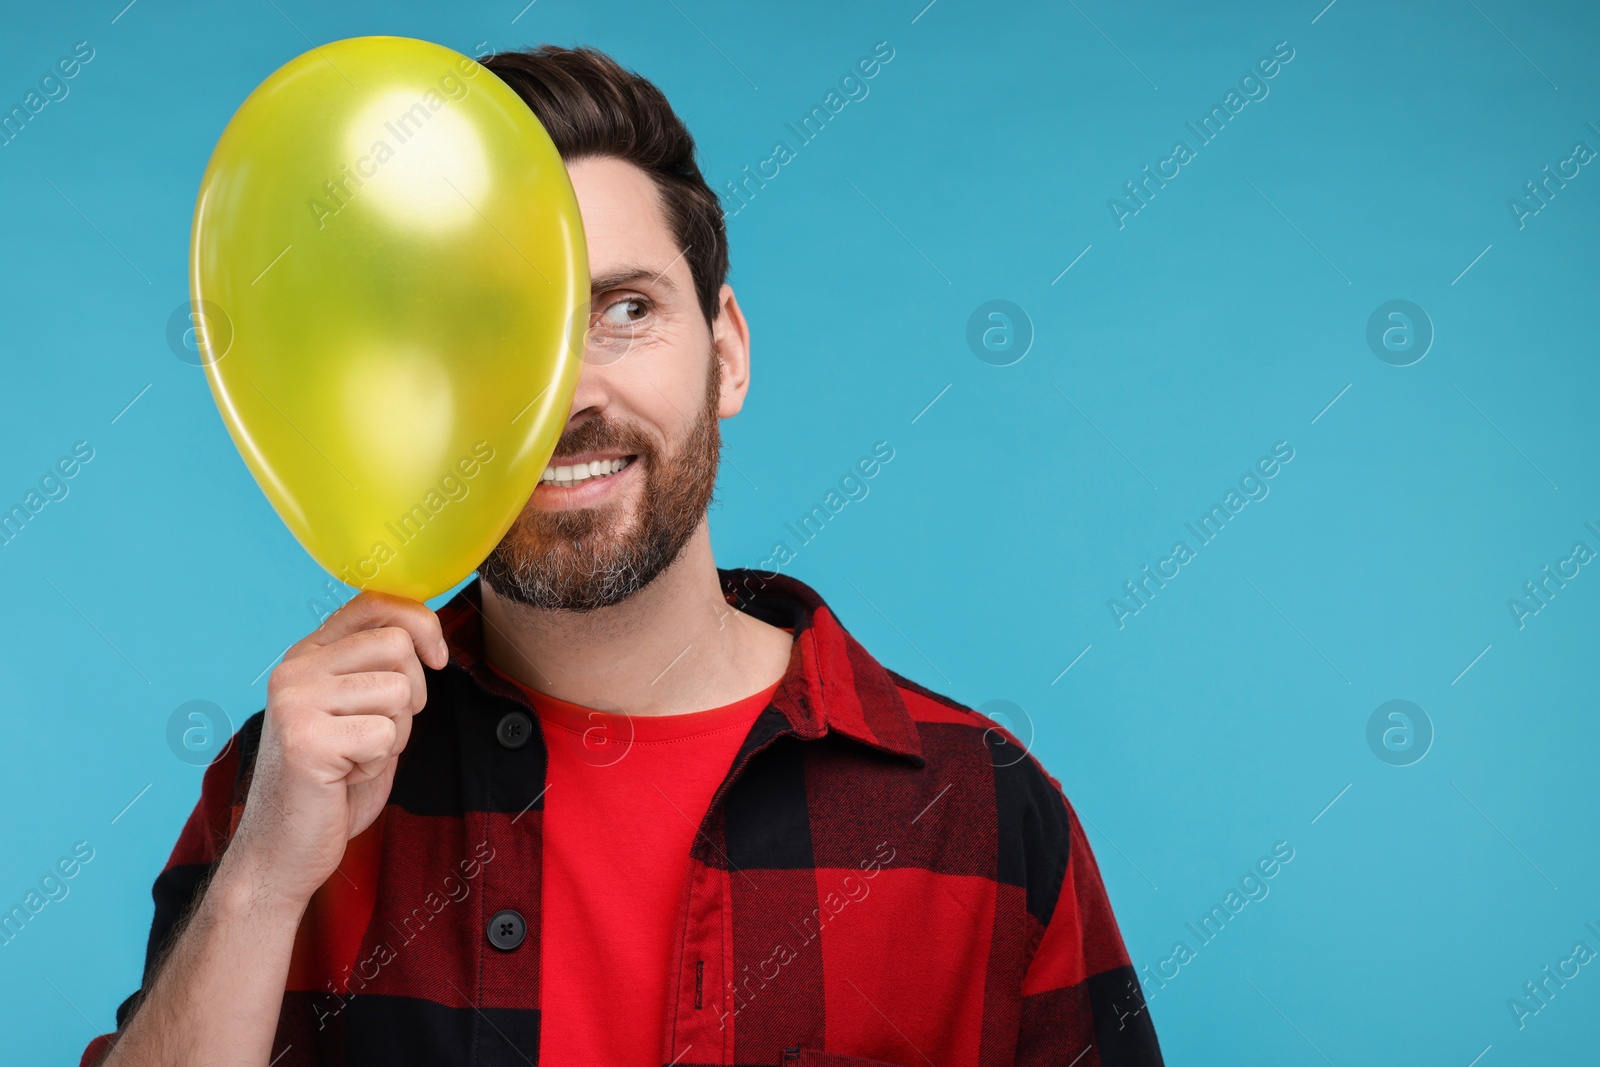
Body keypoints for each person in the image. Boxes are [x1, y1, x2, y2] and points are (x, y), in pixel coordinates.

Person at [81, 44, 1164, 1067]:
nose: (569, 395)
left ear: (726, 351)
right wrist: (265, 881)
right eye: (494, 331)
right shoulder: (293, 782)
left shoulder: (978, 810)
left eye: (624, 310)